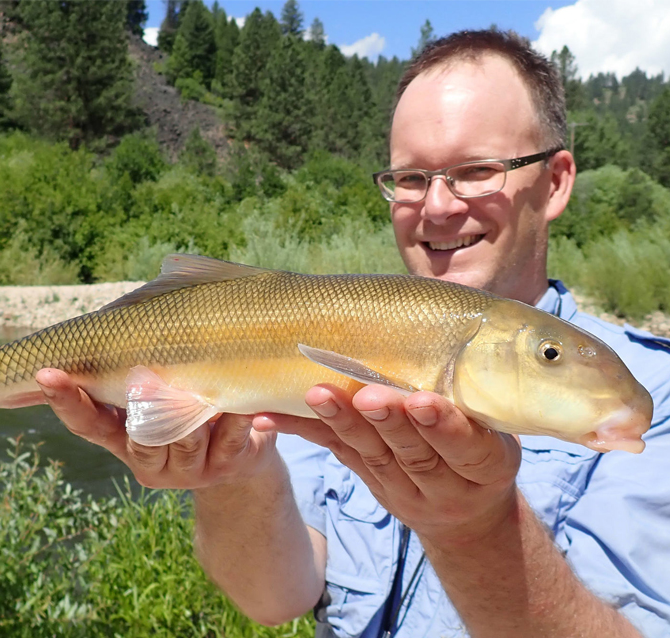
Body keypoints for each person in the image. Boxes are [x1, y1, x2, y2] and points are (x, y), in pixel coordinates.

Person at [34, 30, 670, 638]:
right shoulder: (342, 346)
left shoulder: (657, 398)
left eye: (477, 170)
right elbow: (276, 599)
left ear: (556, 181)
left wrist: (475, 530)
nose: (439, 206)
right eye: (412, 178)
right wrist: (233, 476)